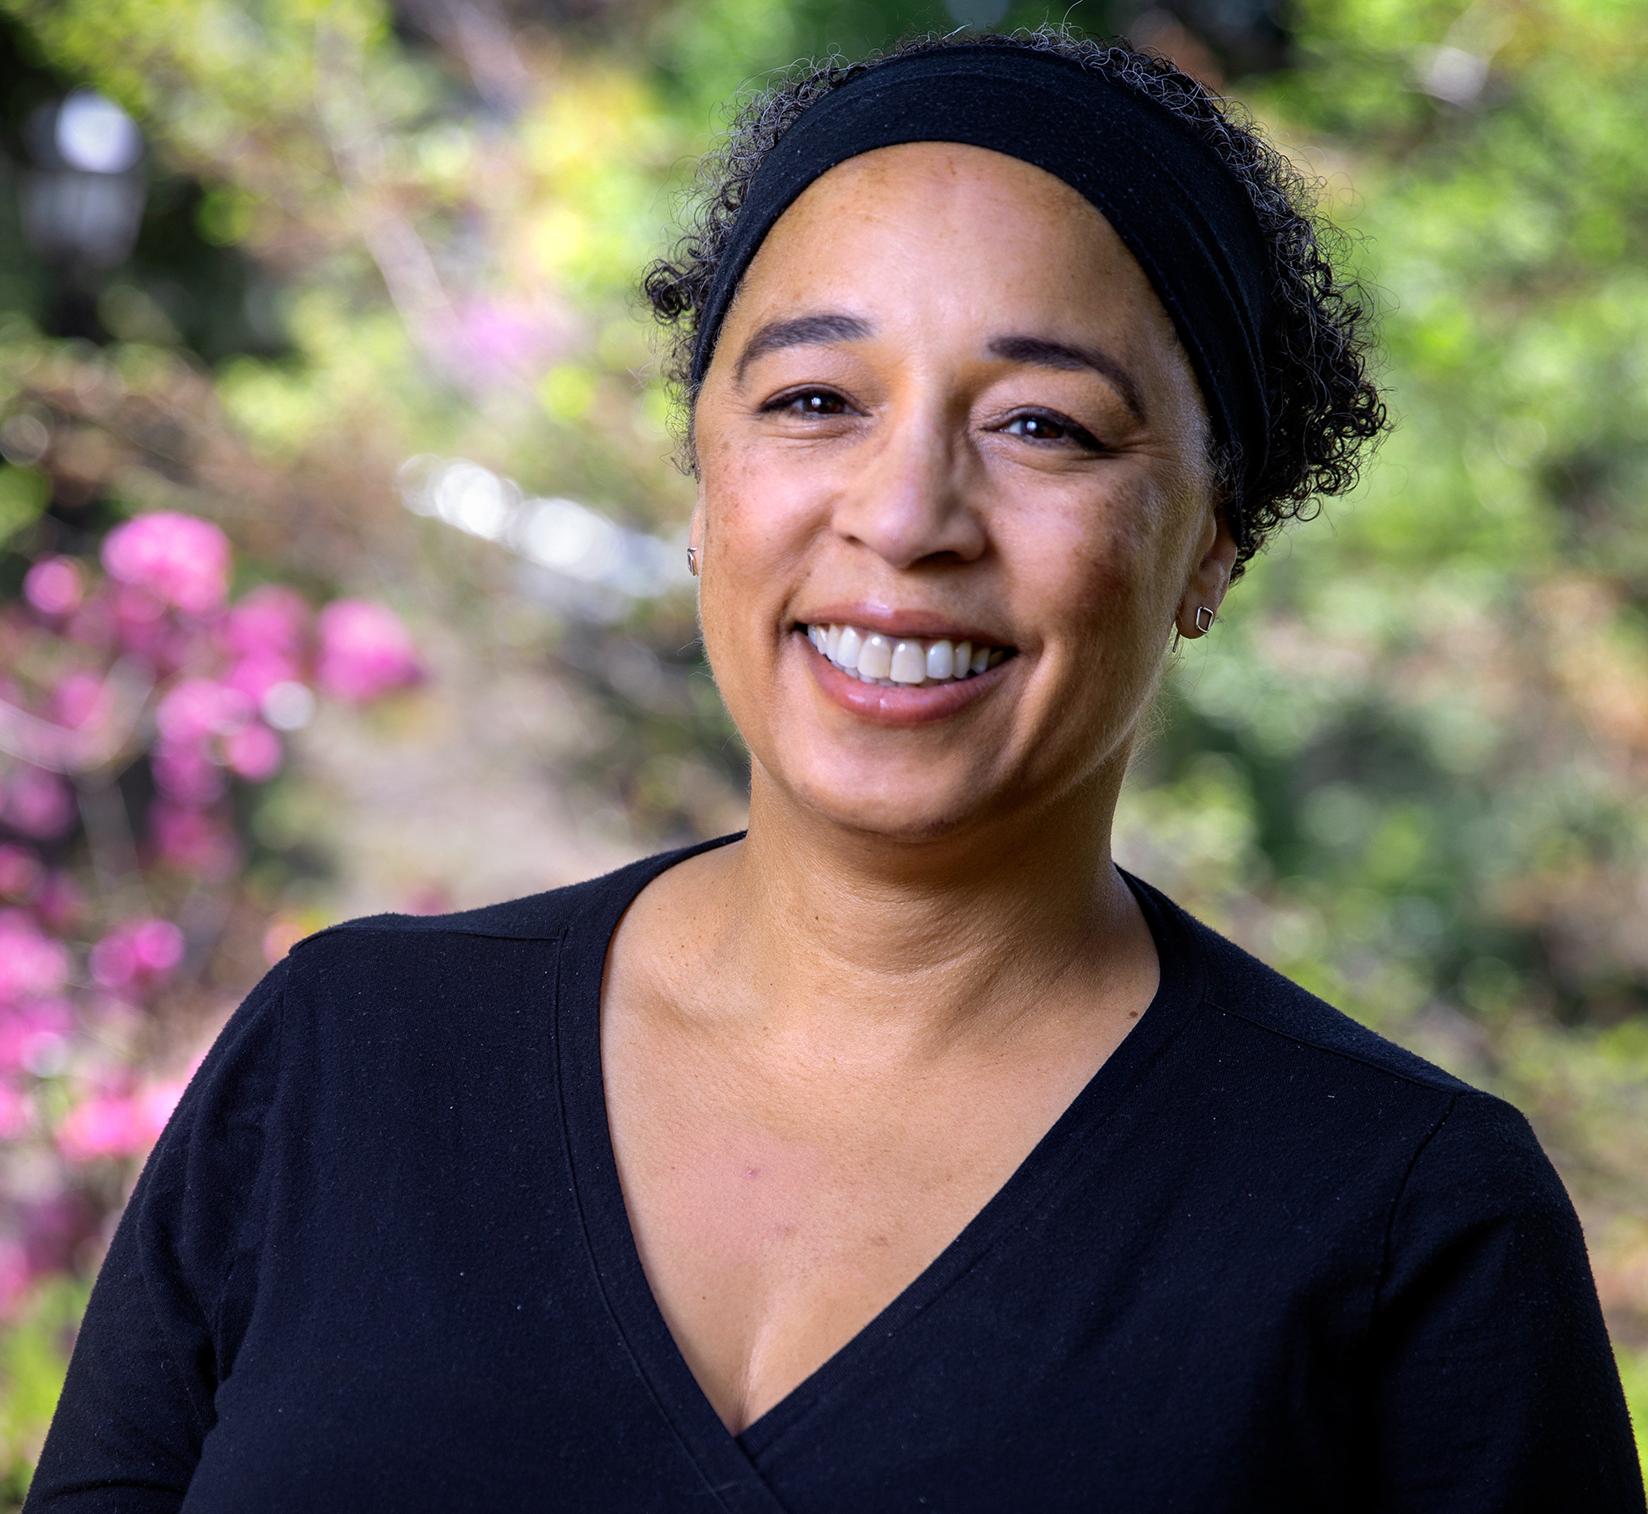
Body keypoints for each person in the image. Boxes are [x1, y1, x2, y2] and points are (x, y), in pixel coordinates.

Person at [24, 26, 1646, 1514]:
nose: (907, 514)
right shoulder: (346, 1058)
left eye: (1044, 426)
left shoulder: (1406, 1223)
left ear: (1214, 537)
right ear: (704, 478)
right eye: (814, 400)